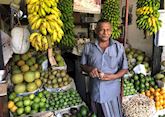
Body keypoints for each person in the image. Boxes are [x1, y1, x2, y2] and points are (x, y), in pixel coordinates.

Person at [80, 19, 128, 117]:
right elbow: (82, 65)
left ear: (111, 31)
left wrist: (114, 76)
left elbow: (124, 68)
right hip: (95, 90)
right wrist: (90, 69)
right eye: (102, 30)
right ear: (96, 31)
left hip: (112, 92)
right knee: (96, 114)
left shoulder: (118, 47)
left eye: (108, 30)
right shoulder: (88, 47)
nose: (105, 33)